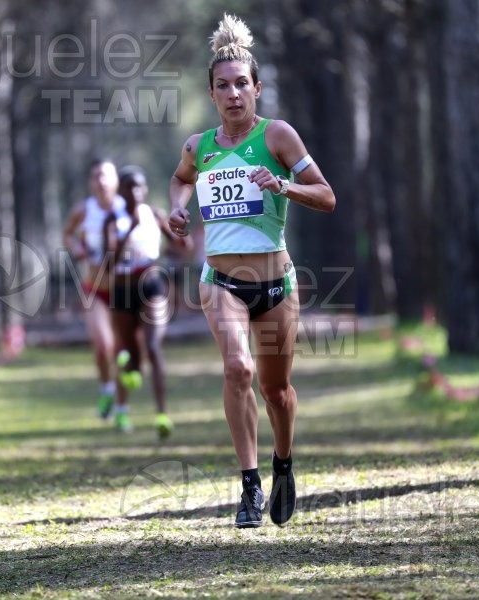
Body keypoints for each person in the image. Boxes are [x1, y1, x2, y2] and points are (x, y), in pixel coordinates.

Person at [167, 15, 336, 528]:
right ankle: (249, 485)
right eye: (223, 86)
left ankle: (283, 462)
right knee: (237, 369)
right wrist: (177, 209)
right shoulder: (199, 147)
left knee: (276, 391)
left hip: (277, 285)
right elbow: (179, 180)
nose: (234, 93)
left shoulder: (278, 136)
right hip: (220, 282)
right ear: (212, 93)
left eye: (243, 84)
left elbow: (327, 197)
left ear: (257, 89)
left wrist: (283, 187)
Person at [103, 166, 191, 436]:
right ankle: (127, 372)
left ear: (146, 190)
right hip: (122, 289)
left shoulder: (154, 215)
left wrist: (178, 238)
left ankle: (162, 415)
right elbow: (110, 262)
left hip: (151, 285)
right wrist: (127, 232)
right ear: (120, 191)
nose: (135, 191)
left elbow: (181, 246)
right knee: (130, 355)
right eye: (129, 186)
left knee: (153, 346)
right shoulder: (112, 219)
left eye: (139, 186)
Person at [62, 159, 127, 419]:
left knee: (124, 353)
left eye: (105, 175)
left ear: (116, 181)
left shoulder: (128, 209)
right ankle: (107, 387)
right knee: (103, 346)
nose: (100, 181)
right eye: (95, 176)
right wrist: (77, 248)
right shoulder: (84, 210)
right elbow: (67, 234)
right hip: (95, 289)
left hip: (126, 291)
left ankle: (122, 409)